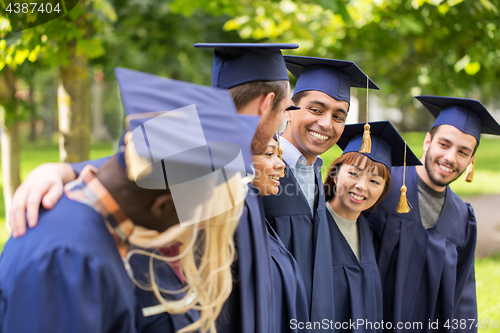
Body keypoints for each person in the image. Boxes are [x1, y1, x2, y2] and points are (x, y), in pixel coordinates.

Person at [8, 43, 298, 333]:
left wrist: (68, 171)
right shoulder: (72, 254)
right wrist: (60, 170)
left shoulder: (189, 162)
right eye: (285, 110)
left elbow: (128, 169)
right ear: (266, 102)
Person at [261, 55, 379, 328]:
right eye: (316, 109)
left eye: (339, 116)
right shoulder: (259, 173)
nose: (327, 124)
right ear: (288, 111)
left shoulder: (317, 173)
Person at [365, 96, 500, 332]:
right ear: (428, 141)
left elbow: (462, 298)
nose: (450, 158)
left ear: (471, 160)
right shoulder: (382, 185)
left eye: (463, 152)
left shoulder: (463, 219)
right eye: (444, 144)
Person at [323, 121, 420, 332]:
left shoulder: (368, 232)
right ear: (335, 173)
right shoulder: (313, 225)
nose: (361, 186)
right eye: (354, 173)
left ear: (383, 192)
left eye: (374, 181)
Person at [252, 135, 310, 333]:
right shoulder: (236, 235)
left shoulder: (259, 225)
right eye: (270, 153)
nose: (281, 164)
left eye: (279, 154)